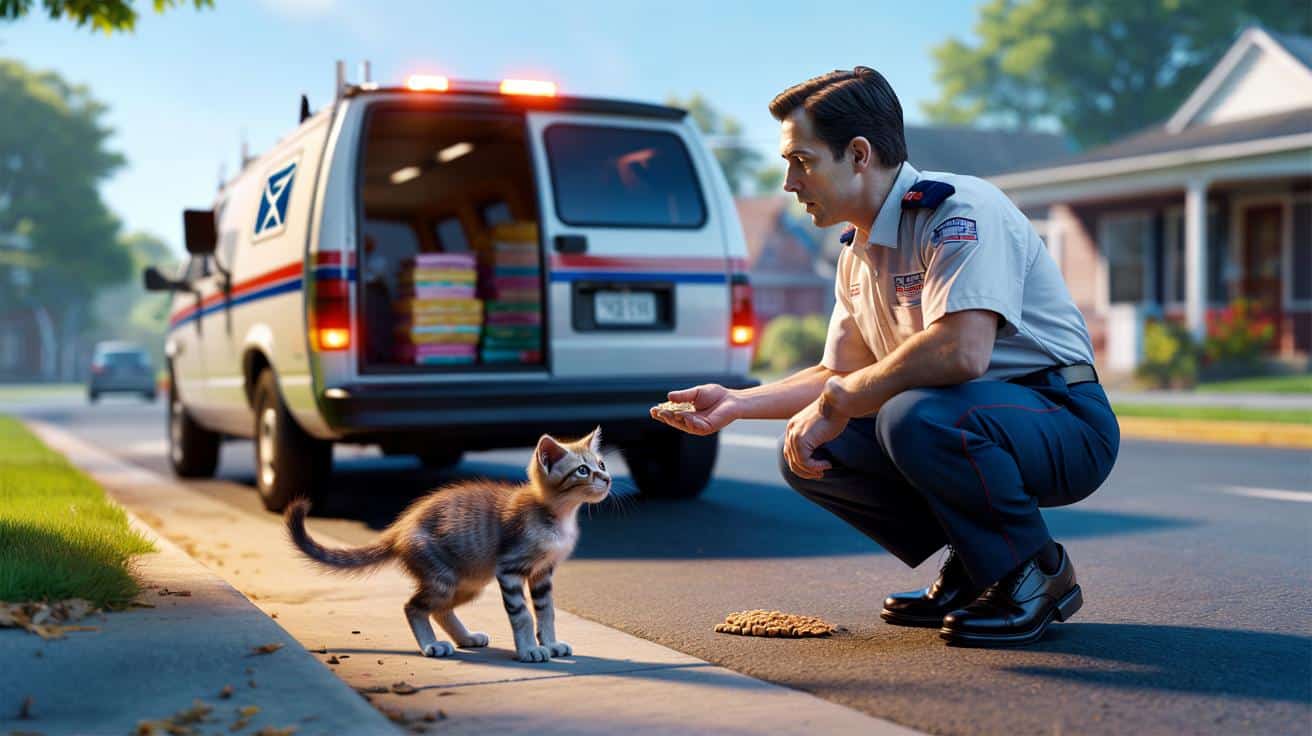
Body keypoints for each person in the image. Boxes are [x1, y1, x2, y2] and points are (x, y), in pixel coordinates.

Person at [651, 67, 1119, 647]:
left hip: (1062, 416)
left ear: (858, 155)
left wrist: (839, 401)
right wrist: (737, 402)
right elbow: (838, 373)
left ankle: (1034, 569)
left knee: (912, 416)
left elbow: (961, 351)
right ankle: (981, 559)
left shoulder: (960, 210)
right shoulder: (858, 251)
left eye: (801, 161)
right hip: (973, 419)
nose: (790, 183)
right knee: (814, 447)